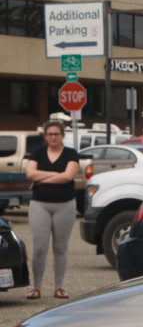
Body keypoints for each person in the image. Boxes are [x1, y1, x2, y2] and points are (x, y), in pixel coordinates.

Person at [25, 120, 80, 300]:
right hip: (39, 204)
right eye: (50, 134)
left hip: (65, 204)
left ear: (63, 135)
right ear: (45, 136)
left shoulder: (71, 154)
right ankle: (36, 287)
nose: (53, 137)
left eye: (57, 133)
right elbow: (30, 174)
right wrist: (57, 174)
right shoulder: (37, 153)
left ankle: (59, 287)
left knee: (60, 248)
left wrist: (43, 177)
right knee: (39, 248)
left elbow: (68, 177)